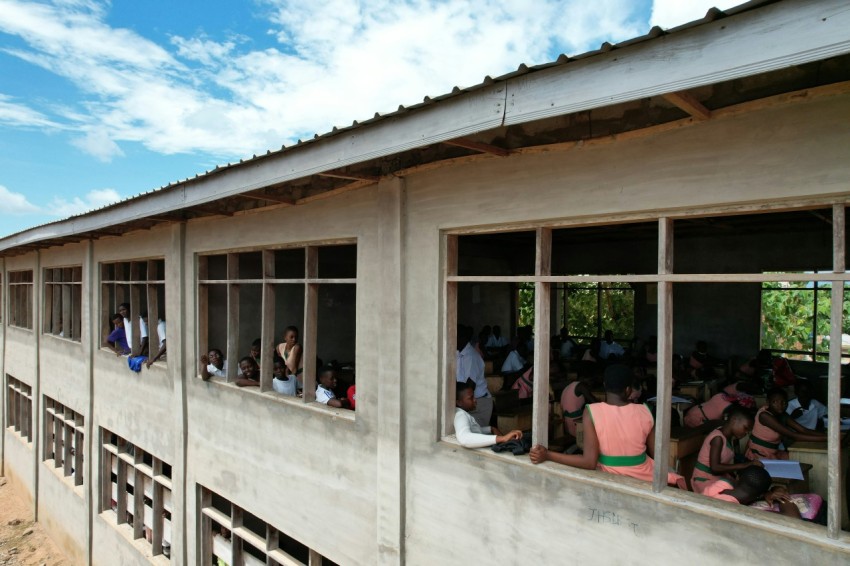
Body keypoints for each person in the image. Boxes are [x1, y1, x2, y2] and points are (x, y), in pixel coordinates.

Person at [530, 364, 683, 487]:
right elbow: (658, 455)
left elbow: (589, 462)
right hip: (644, 475)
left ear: (605, 386)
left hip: (608, 477)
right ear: (629, 390)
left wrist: (548, 455)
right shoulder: (645, 411)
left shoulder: (592, 411)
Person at [691, 406, 762, 493]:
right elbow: (715, 468)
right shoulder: (717, 438)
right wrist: (747, 465)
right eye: (745, 428)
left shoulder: (728, 437)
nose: (746, 433)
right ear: (734, 420)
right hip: (704, 480)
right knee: (738, 493)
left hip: (716, 478)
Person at [745, 388, 829, 461]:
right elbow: (793, 435)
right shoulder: (764, 416)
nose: (780, 405)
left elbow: (803, 430)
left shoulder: (782, 414)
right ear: (768, 402)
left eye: (784, 402)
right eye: (775, 402)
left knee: (799, 460)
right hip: (759, 453)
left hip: (773, 452)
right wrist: (826, 439)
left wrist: (828, 436)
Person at [700, 466, 806, 519]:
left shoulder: (722, 484)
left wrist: (768, 492)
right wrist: (781, 495)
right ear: (759, 495)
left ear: (737, 478)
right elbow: (793, 518)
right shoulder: (733, 509)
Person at [454, 379, 522, 448]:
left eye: (474, 396)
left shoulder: (461, 413)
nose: (475, 400)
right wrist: (502, 438)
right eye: (471, 398)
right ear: (459, 402)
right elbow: (464, 438)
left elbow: (474, 430)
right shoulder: (461, 415)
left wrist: (490, 429)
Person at [456, 325, 491, 427]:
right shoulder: (457, 353)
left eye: (454, 336)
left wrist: (457, 403)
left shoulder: (471, 356)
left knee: (474, 432)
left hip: (478, 404)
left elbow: (470, 386)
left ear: (462, 338)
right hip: (466, 401)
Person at [561, 371, 599, 442]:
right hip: (576, 423)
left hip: (567, 423)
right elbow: (594, 402)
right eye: (590, 380)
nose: (591, 383)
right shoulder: (581, 385)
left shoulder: (568, 386)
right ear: (582, 378)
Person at [684, 390, 754, 428]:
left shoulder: (721, 396)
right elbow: (727, 424)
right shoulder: (728, 408)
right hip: (695, 420)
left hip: (692, 411)